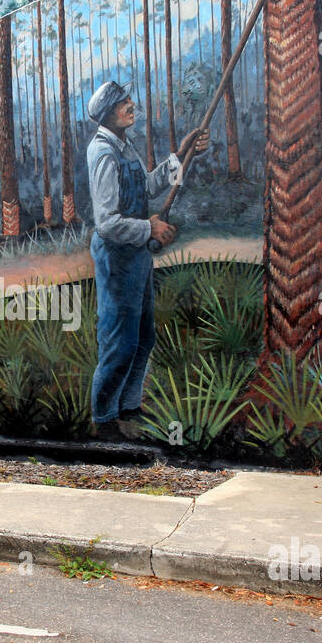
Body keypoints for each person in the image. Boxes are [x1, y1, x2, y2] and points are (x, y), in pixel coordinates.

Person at [86, 81, 207, 441]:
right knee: (117, 342)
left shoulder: (125, 145)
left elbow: (152, 185)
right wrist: (149, 227)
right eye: (123, 102)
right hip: (116, 257)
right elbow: (106, 223)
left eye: (129, 99)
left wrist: (182, 154)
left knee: (143, 337)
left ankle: (130, 407)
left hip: (136, 256)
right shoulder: (103, 152)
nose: (131, 105)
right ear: (108, 112)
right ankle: (104, 419)